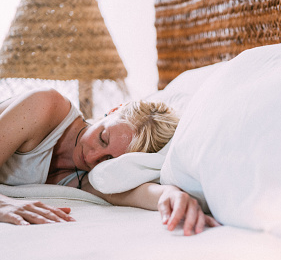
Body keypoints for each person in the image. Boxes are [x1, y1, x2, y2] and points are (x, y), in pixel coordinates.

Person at [0, 88, 218, 235]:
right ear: (113, 110)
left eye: (108, 159)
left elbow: (133, 193)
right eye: (102, 138)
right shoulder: (46, 106)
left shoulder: (89, 179)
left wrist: (171, 194)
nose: (92, 157)